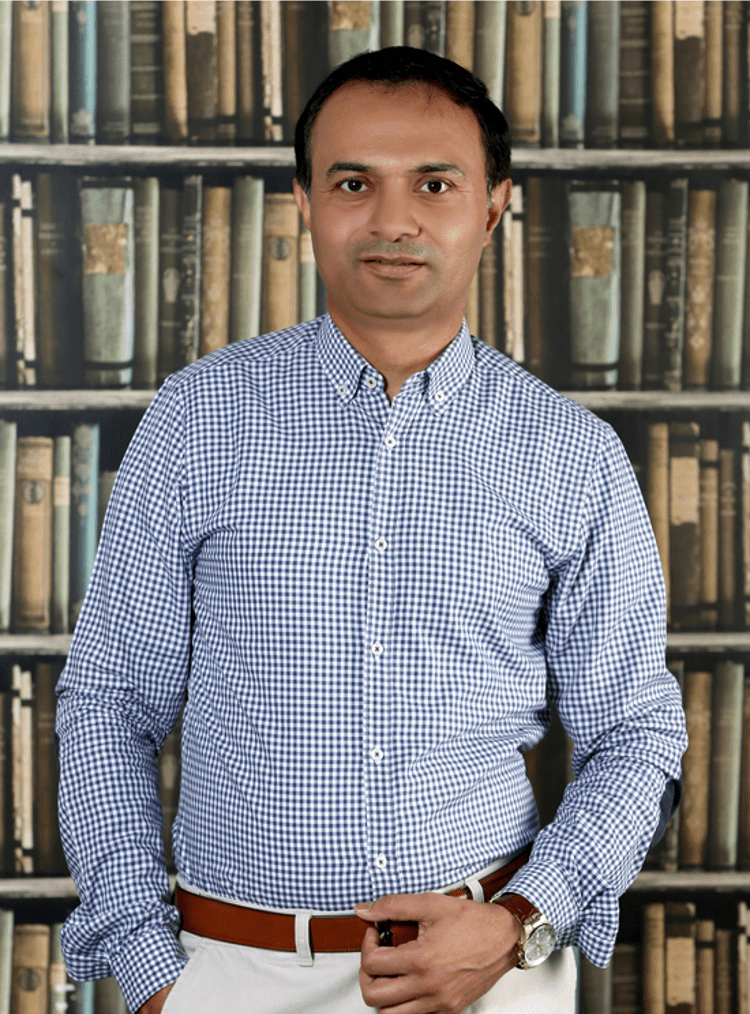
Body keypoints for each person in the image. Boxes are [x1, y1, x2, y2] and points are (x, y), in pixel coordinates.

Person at [55, 46, 687, 1014]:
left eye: (434, 183)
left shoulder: (575, 455)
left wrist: (521, 921)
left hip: (488, 974)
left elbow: (638, 734)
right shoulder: (194, 420)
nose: (393, 220)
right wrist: (155, 979)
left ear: (492, 206)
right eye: (354, 182)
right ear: (304, 201)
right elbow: (107, 700)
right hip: (233, 974)